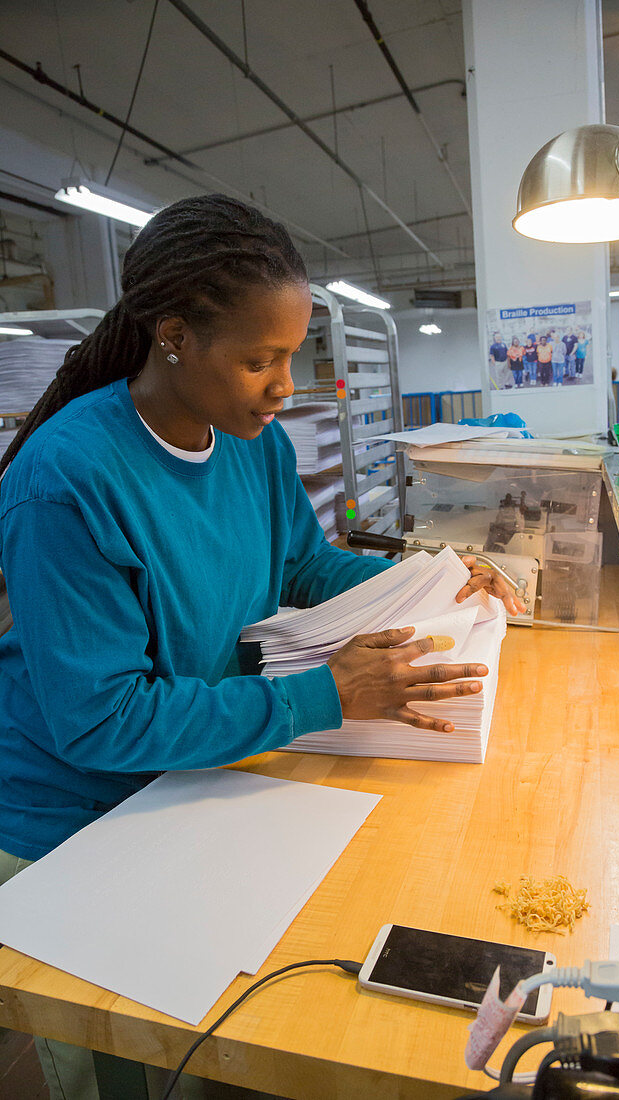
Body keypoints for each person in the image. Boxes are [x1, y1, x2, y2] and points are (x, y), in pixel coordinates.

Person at [0, 195, 521, 1100]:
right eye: (260, 360)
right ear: (173, 338)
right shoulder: (69, 479)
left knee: (219, 1036)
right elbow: (100, 721)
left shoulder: (252, 445)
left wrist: (436, 578)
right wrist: (323, 695)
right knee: (130, 1059)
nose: (286, 386)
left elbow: (303, 564)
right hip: (72, 814)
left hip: (189, 773)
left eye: (293, 356)